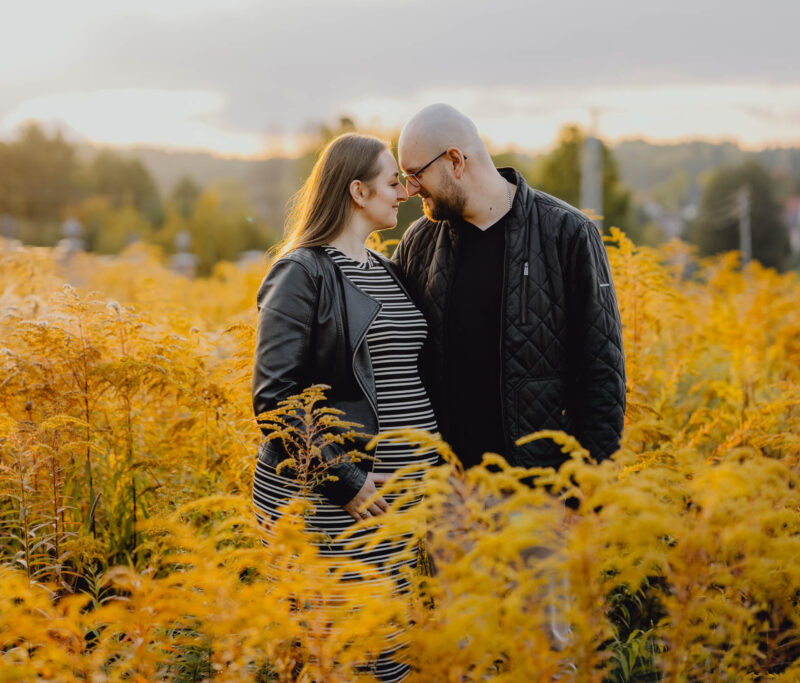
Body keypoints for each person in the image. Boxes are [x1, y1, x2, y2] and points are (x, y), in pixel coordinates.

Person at [251, 133, 437, 682]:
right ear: (357, 190)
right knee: (338, 655)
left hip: (394, 498)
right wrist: (347, 481)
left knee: (389, 650)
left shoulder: (389, 270)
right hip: (333, 498)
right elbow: (274, 399)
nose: (404, 191)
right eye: (392, 181)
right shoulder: (301, 272)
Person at [393, 103, 626, 471]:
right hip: (445, 496)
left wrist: (589, 498)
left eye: (415, 174)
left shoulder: (568, 234)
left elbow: (602, 374)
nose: (410, 190)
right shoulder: (418, 244)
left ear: (456, 160)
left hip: (541, 494)